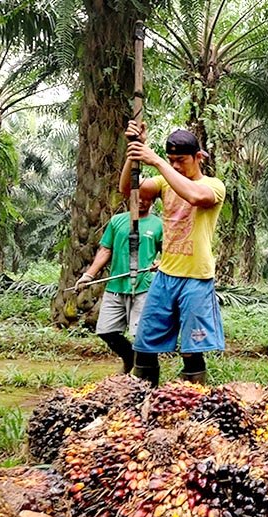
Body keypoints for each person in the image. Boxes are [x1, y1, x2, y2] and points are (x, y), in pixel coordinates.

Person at [119, 121, 226, 386]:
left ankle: (191, 405)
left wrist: (156, 161)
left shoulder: (213, 186)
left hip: (196, 279)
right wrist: (135, 149)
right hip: (165, 276)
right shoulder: (163, 182)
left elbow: (193, 196)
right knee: (144, 348)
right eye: (171, 160)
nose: (176, 165)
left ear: (198, 157)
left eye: (181, 160)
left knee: (191, 350)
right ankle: (143, 402)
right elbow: (128, 190)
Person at [76, 193, 162, 374]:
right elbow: (105, 249)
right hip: (115, 286)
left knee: (142, 336)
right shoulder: (117, 221)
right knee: (106, 331)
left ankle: (146, 379)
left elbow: (169, 252)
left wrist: (161, 263)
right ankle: (129, 357)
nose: (141, 200)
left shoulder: (158, 224)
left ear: (153, 201)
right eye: (137, 196)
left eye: (147, 197)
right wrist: (89, 276)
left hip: (143, 287)